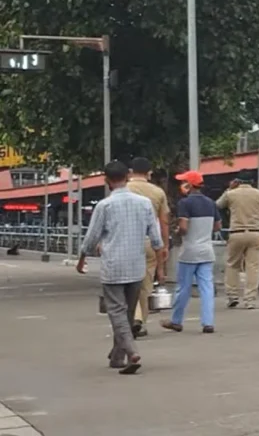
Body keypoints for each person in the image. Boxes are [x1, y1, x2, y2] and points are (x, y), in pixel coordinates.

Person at [76, 161, 164, 375]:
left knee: (116, 311)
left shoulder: (104, 205)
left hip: (113, 266)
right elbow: (156, 236)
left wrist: (82, 258)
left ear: (106, 180)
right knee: (127, 312)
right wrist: (160, 260)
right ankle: (117, 356)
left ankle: (132, 352)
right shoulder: (144, 203)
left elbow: (92, 237)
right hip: (136, 266)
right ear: (128, 176)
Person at [162, 170, 220, 334]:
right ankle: (208, 323)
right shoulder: (211, 203)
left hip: (189, 252)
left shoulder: (185, 203)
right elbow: (217, 226)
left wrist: (177, 231)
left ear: (189, 185)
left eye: (183, 182)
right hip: (207, 251)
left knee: (183, 288)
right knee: (207, 288)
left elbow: (184, 228)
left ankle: (176, 320)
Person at [126, 157, 170, 338]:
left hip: (127, 241)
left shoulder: (123, 189)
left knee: (129, 282)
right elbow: (164, 221)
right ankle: (142, 323)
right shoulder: (157, 192)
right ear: (149, 173)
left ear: (130, 172)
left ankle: (134, 318)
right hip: (150, 242)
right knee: (146, 284)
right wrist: (164, 245)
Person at [216, 172, 259, 309]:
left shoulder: (231, 194)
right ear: (252, 181)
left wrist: (229, 189)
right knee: (253, 267)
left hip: (236, 233)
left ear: (237, 180)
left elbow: (218, 205)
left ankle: (232, 295)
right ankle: (250, 300)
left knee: (232, 265)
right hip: (255, 233)